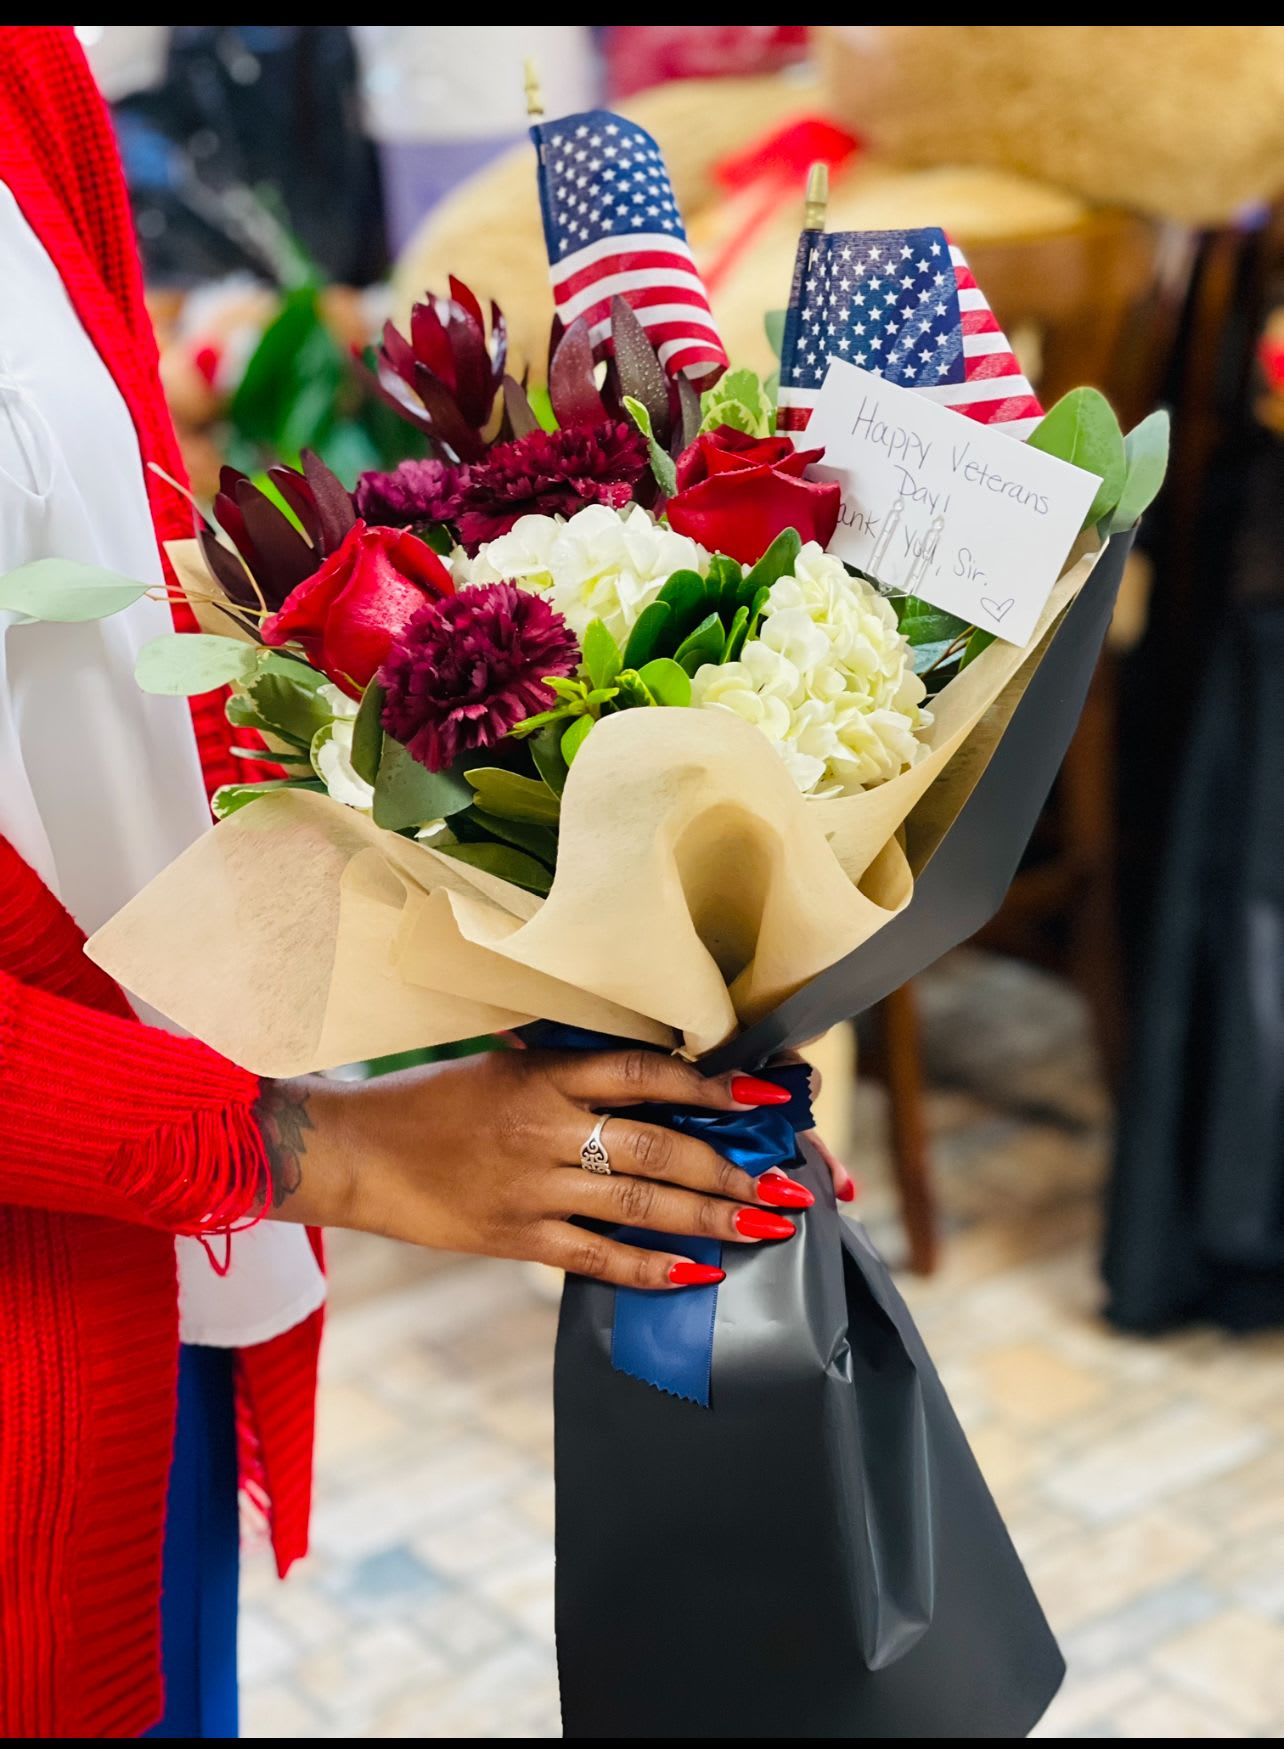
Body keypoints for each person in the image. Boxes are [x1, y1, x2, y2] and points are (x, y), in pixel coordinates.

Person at [0, 27, 846, 1739]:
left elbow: (136, 638)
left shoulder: (28, 76)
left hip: (142, 1265)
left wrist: (582, 956)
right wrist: (335, 1148)